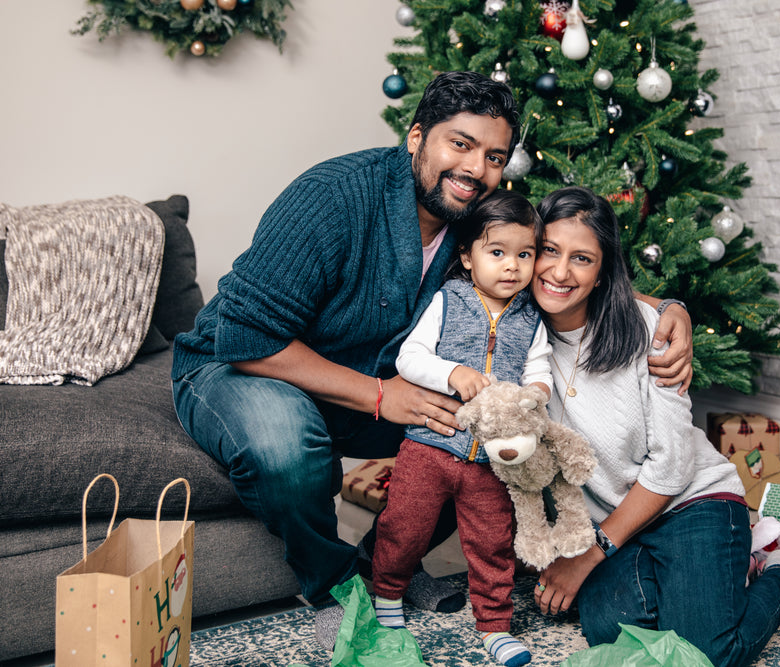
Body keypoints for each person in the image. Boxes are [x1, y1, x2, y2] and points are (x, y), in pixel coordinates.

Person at [170, 70, 692, 650]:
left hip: (375, 379)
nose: (476, 168)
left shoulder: (477, 218)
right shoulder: (334, 196)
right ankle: (337, 588)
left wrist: (668, 307)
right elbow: (245, 336)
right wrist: (378, 395)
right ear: (417, 136)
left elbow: (560, 262)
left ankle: (385, 566)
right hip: (239, 364)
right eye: (460, 144)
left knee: (466, 436)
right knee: (282, 442)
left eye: (494, 156)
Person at [528, 187, 780, 667]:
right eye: (549, 250)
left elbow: (673, 466)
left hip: (689, 500)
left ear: (602, 272)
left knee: (705, 654)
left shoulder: (649, 330)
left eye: (582, 259)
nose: (559, 272)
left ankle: (775, 564)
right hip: (614, 515)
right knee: (614, 632)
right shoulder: (515, 331)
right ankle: (711, 574)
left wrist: (591, 554)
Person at [372, 190, 550, 667]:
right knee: (403, 528)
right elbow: (408, 359)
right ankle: (387, 595)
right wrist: (451, 373)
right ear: (468, 258)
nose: (512, 266)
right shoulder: (448, 301)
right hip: (430, 448)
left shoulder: (532, 319)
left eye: (524, 255)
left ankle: (495, 624)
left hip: (492, 460)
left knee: (493, 542)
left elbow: (541, 366)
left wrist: (537, 391)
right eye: (497, 253)